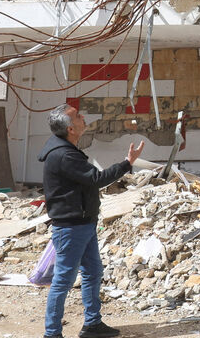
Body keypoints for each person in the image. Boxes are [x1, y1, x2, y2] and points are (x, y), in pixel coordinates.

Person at [38, 104, 144, 338]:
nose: (83, 117)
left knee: (93, 272)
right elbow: (96, 179)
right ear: (70, 128)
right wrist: (127, 163)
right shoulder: (64, 155)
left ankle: (92, 324)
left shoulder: (66, 149)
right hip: (71, 228)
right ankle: (52, 333)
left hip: (83, 224)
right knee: (63, 281)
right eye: (77, 116)